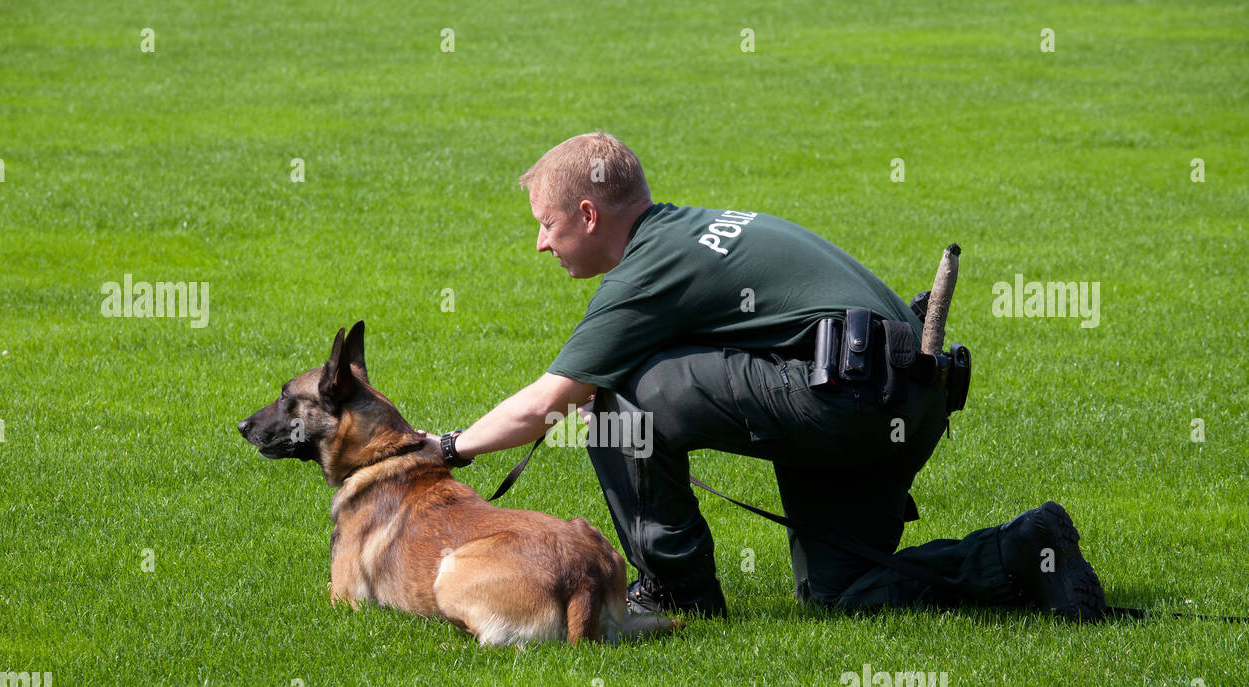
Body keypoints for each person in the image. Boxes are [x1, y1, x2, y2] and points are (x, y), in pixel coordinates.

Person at [434, 132, 1105, 622]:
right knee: (844, 593)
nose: (541, 244)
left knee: (619, 399)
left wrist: (446, 448)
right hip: (898, 399)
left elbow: (551, 400)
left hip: (852, 402)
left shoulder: (648, 267)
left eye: (547, 225)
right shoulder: (691, 229)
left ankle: (676, 594)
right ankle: (1025, 551)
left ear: (587, 215)